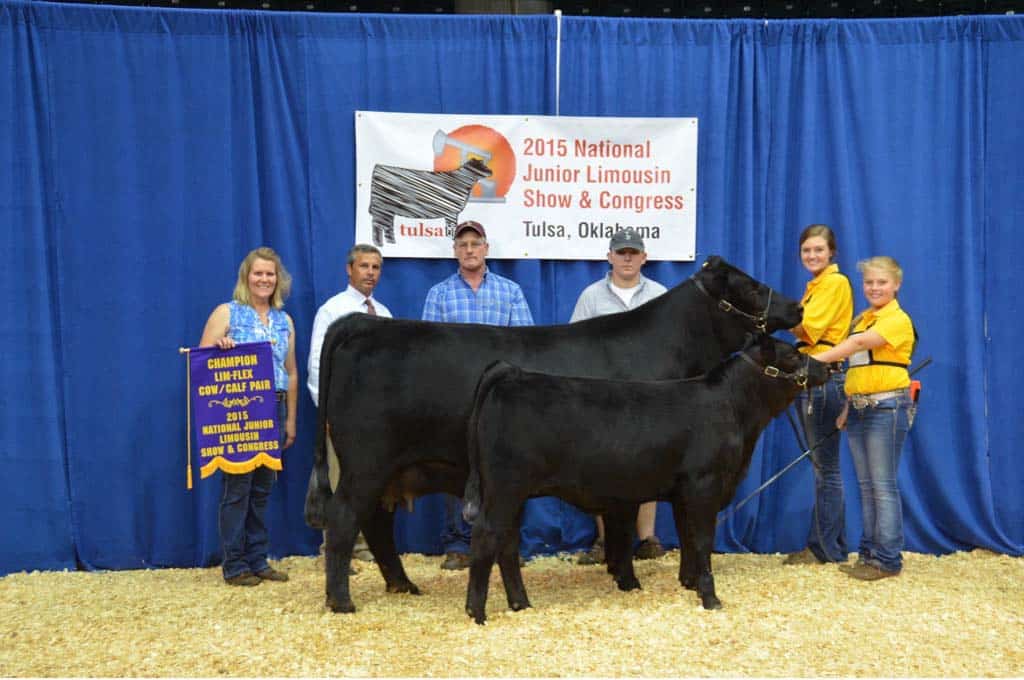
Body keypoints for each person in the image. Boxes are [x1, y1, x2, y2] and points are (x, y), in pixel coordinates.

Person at [422, 219, 534, 570]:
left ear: (486, 248)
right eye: (463, 244)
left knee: (510, 467)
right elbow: (429, 352)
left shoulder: (510, 291)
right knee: (458, 466)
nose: (469, 250)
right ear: (455, 251)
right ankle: (458, 543)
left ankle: (506, 541)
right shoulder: (439, 294)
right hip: (457, 396)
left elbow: (525, 343)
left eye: (476, 243)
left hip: (503, 397)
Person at [199, 246, 298, 586]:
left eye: (270, 274)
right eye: (258, 273)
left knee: (262, 489)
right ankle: (235, 563)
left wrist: (290, 419)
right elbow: (202, 364)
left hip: (275, 404)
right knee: (237, 488)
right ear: (246, 277)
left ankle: (258, 558)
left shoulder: (284, 321)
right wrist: (218, 349)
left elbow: (291, 371)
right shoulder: (226, 313)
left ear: (278, 280)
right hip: (239, 410)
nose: (264, 279)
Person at [814, 256, 917, 580]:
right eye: (870, 283)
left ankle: (887, 559)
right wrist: (846, 408)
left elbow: (858, 345)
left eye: (881, 282)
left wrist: (813, 360)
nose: (874, 288)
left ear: (896, 285)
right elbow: (858, 367)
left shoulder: (896, 320)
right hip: (859, 408)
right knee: (867, 486)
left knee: (882, 486)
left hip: (887, 407)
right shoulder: (863, 319)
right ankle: (870, 554)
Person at [572, 227, 668, 565]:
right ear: (609, 256)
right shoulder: (591, 297)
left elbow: (670, 347)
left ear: (644, 257)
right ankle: (605, 539)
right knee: (602, 466)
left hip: (648, 394)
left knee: (649, 463)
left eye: (633, 252)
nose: (627, 258)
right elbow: (575, 346)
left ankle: (648, 538)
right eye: (621, 252)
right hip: (603, 397)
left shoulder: (660, 295)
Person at [308, 243, 392, 564]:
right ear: (349, 269)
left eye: (375, 268)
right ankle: (334, 548)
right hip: (344, 412)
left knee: (373, 479)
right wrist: (327, 410)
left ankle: (367, 546)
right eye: (364, 266)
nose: (370, 273)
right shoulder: (333, 310)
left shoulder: (384, 314)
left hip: (379, 417)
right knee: (339, 478)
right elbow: (317, 363)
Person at [782, 225, 854, 566]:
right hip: (817, 377)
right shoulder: (817, 286)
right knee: (825, 468)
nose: (812, 256)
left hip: (822, 379)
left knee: (827, 469)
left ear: (831, 253)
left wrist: (780, 317)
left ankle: (821, 548)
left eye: (818, 250)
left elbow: (809, 329)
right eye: (807, 251)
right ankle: (833, 545)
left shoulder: (833, 284)